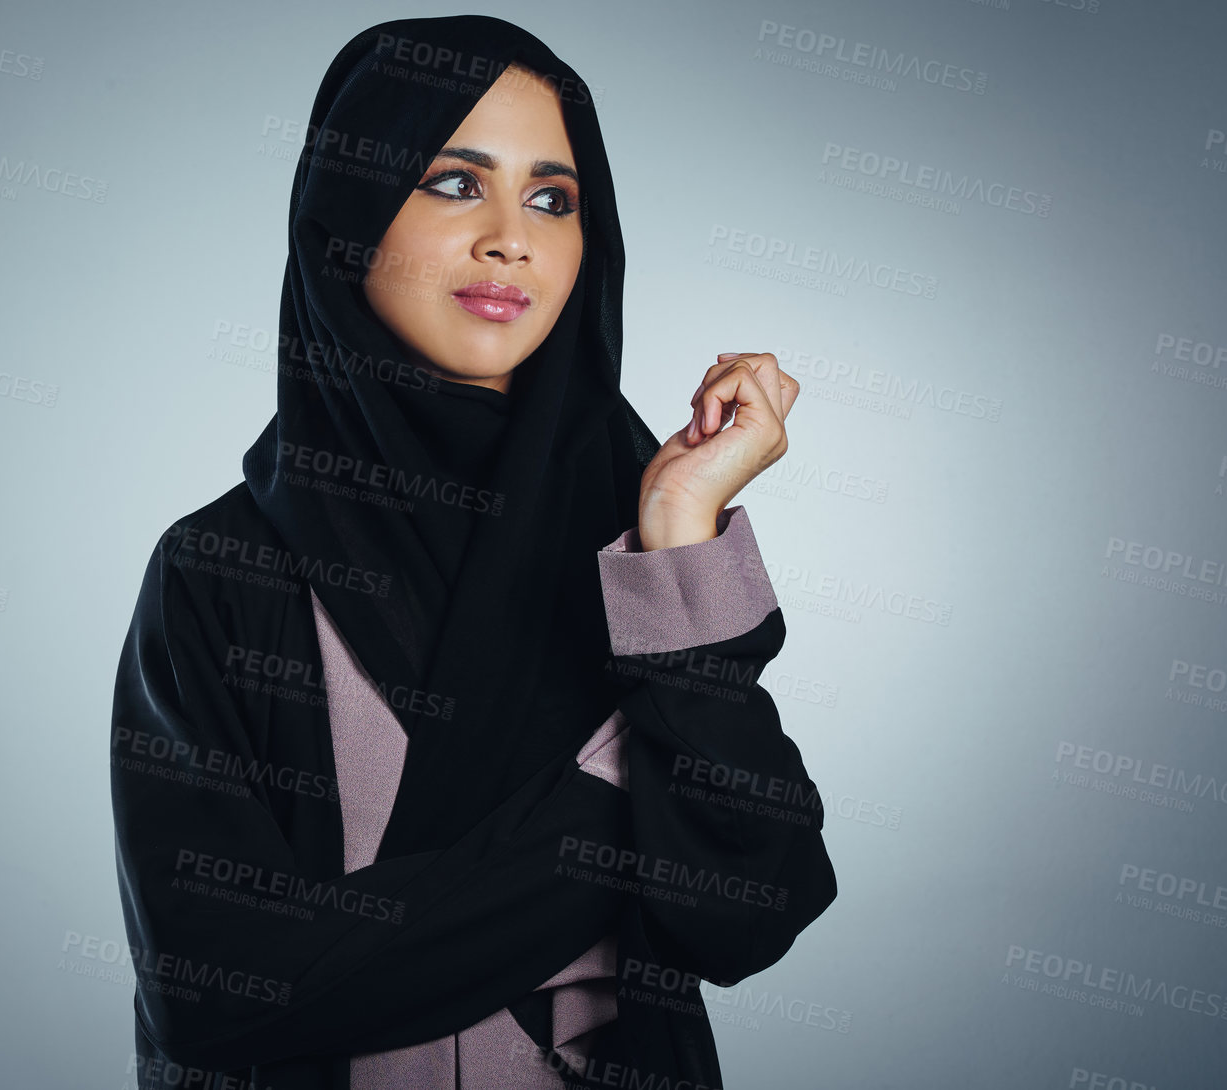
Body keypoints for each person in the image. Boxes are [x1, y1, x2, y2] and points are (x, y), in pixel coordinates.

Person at [110, 14, 837, 1089]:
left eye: (553, 197)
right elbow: (216, 991)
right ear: (349, 212)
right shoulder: (222, 568)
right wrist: (621, 804)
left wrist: (680, 533)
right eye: (455, 183)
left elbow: (750, 907)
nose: (512, 238)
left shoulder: (640, 547)